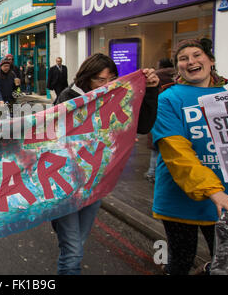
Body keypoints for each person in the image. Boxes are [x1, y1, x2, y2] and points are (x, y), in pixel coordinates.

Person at [51, 53, 160, 275]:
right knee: (73, 250)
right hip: (65, 185)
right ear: (86, 78)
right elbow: (55, 139)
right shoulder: (67, 97)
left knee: (76, 245)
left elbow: (143, 125)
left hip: (95, 184)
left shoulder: (115, 97)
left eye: (112, 78)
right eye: (101, 80)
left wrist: (150, 90)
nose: (107, 84)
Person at [151, 38, 228, 275]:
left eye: (197, 55)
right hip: (180, 197)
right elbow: (177, 153)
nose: (191, 61)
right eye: (183, 58)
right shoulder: (168, 99)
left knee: (227, 262)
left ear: (211, 61)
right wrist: (212, 190)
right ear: (177, 66)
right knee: (180, 261)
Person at [145, 58, 176, 183]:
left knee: (156, 148)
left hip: (157, 112)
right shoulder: (176, 78)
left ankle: (152, 172)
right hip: (172, 117)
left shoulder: (156, 76)